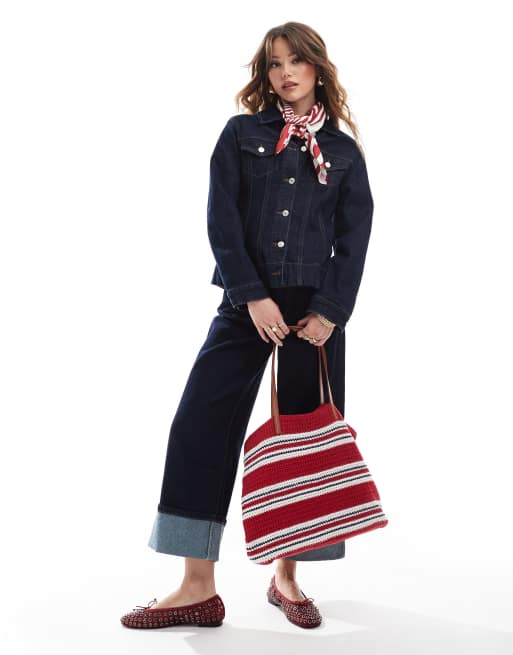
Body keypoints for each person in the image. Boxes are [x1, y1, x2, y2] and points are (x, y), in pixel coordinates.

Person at [120, 20, 374, 631]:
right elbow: (222, 220)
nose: (286, 73)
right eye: (275, 63)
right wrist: (252, 296)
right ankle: (197, 588)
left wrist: (330, 312)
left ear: (317, 67)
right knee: (200, 425)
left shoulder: (342, 152)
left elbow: (354, 237)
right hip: (246, 305)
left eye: (296, 61)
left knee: (305, 438)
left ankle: (287, 576)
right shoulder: (241, 135)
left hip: (314, 315)